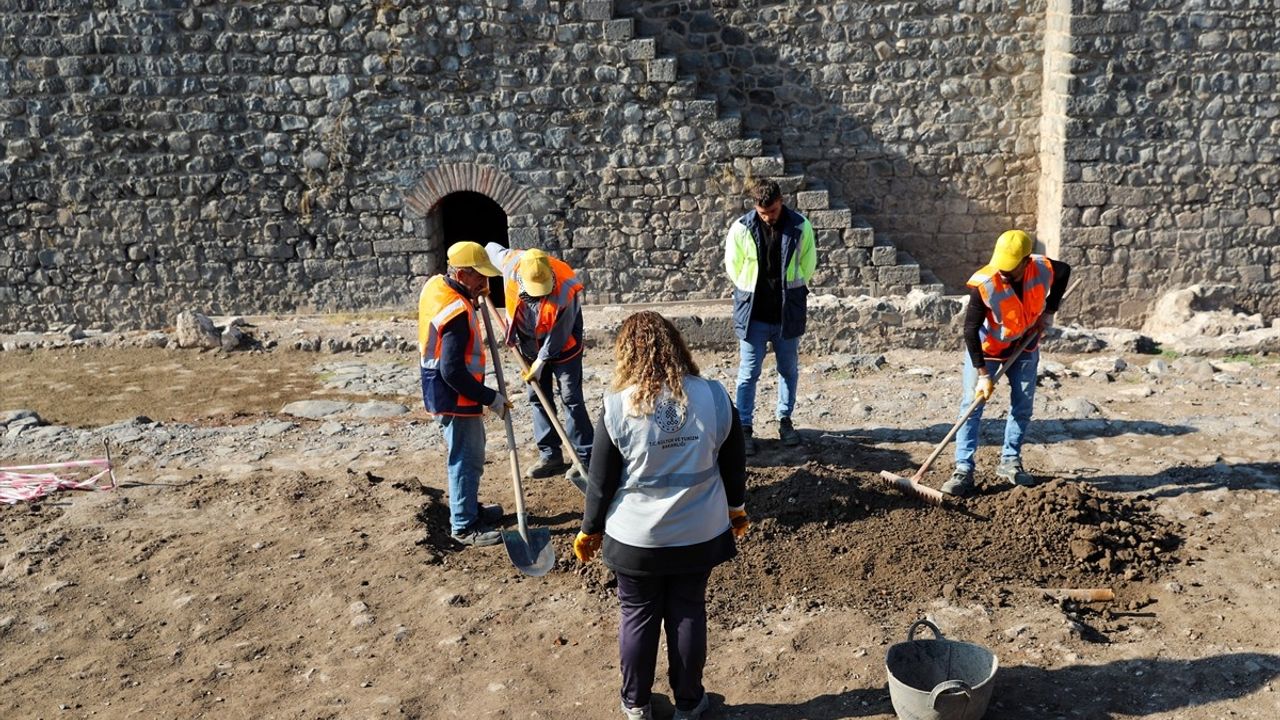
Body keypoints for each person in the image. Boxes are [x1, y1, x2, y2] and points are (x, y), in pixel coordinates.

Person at [573, 311, 748, 720]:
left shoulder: (618, 406)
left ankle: (636, 705)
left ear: (625, 355)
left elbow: (600, 483)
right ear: (676, 345)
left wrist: (589, 530)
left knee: (637, 615)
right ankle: (689, 703)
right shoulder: (714, 395)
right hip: (699, 533)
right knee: (688, 609)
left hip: (637, 541)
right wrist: (736, 508)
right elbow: (735, 462)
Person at [941, 230, 1072, 497]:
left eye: (1010, 269)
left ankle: (1010, 461)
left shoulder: (1043, 268)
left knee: (1022, 405)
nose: (1003, 273)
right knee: (971, 406)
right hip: (987, 350)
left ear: (1026, 262)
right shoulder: (985, 283)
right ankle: (963, 469)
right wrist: (982, 375)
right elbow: (969, 330)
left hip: (1025, 345)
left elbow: (1064, 272)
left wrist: (1049, 311)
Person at [418, 241, 511, 546]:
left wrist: (475, 293)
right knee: (466, 458)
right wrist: (491, 397)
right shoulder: (456, 310)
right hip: (455, 394)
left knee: (470, 453)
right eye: (478, 277)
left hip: (444, 390)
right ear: (460, 273)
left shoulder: (437, 285)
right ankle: (464, 525)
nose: (485, 283)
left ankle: (468, 508)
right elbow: (453, 371)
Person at [723, 179, 817, 455]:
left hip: (787, 313)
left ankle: (785, 420)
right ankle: (744, 428)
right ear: (755, 206)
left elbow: (808, 263)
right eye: (763, 213)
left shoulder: (800, 226)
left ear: (781, 201)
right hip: (753, 315)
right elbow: (734, 266)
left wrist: (793, 290)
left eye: (773, 211)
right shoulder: (741, 229)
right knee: (747, 373)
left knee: (788, 370)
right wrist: (750, 292)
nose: (768, 217)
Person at [485, 242, 593, 480]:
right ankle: (550, 456)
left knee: (571, 398)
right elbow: (489, 248)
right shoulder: (511, 263)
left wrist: (542, 360)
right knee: (537, 397)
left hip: (564, 347)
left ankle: (585, 458)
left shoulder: (566, 286)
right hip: (527, 345)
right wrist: (478, 274)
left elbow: (560, 332)